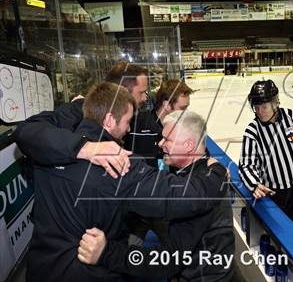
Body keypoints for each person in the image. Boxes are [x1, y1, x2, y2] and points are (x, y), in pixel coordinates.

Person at [26, 84, 227, 282]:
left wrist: (79, 106)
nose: (130, 129)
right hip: (90, 273)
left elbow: (27, 128)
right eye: (128, 121)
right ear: (109, 120)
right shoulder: (120, 164)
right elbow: (186, 197)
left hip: (42, 269)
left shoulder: (49, 148)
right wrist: (218, 171)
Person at [77, 110, 234, 282]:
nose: (160, 144)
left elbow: (167, 262)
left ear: (189, 145)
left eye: (167, 139)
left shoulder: (198, 192)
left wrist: (107, 253)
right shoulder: (199, 174)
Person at [14, 61, 149, 178]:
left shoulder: (134, 117)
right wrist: (86, 148)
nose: (145, 98)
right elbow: (26, 132)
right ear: (123, 90)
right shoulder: (79, 110)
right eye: (142, 92)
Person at [239, 80, 293, 232]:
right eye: (256, 107)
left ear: (276, 103)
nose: (260, 111)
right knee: (276, 233)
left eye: (264, 106)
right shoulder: (252, 131)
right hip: (272, 194)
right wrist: (254, 184)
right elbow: (246, 164)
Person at [125, 79, 194, 168]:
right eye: (183, 108)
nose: (186, 113)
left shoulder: (185, 129)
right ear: (167, 105)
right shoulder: (135, 125)